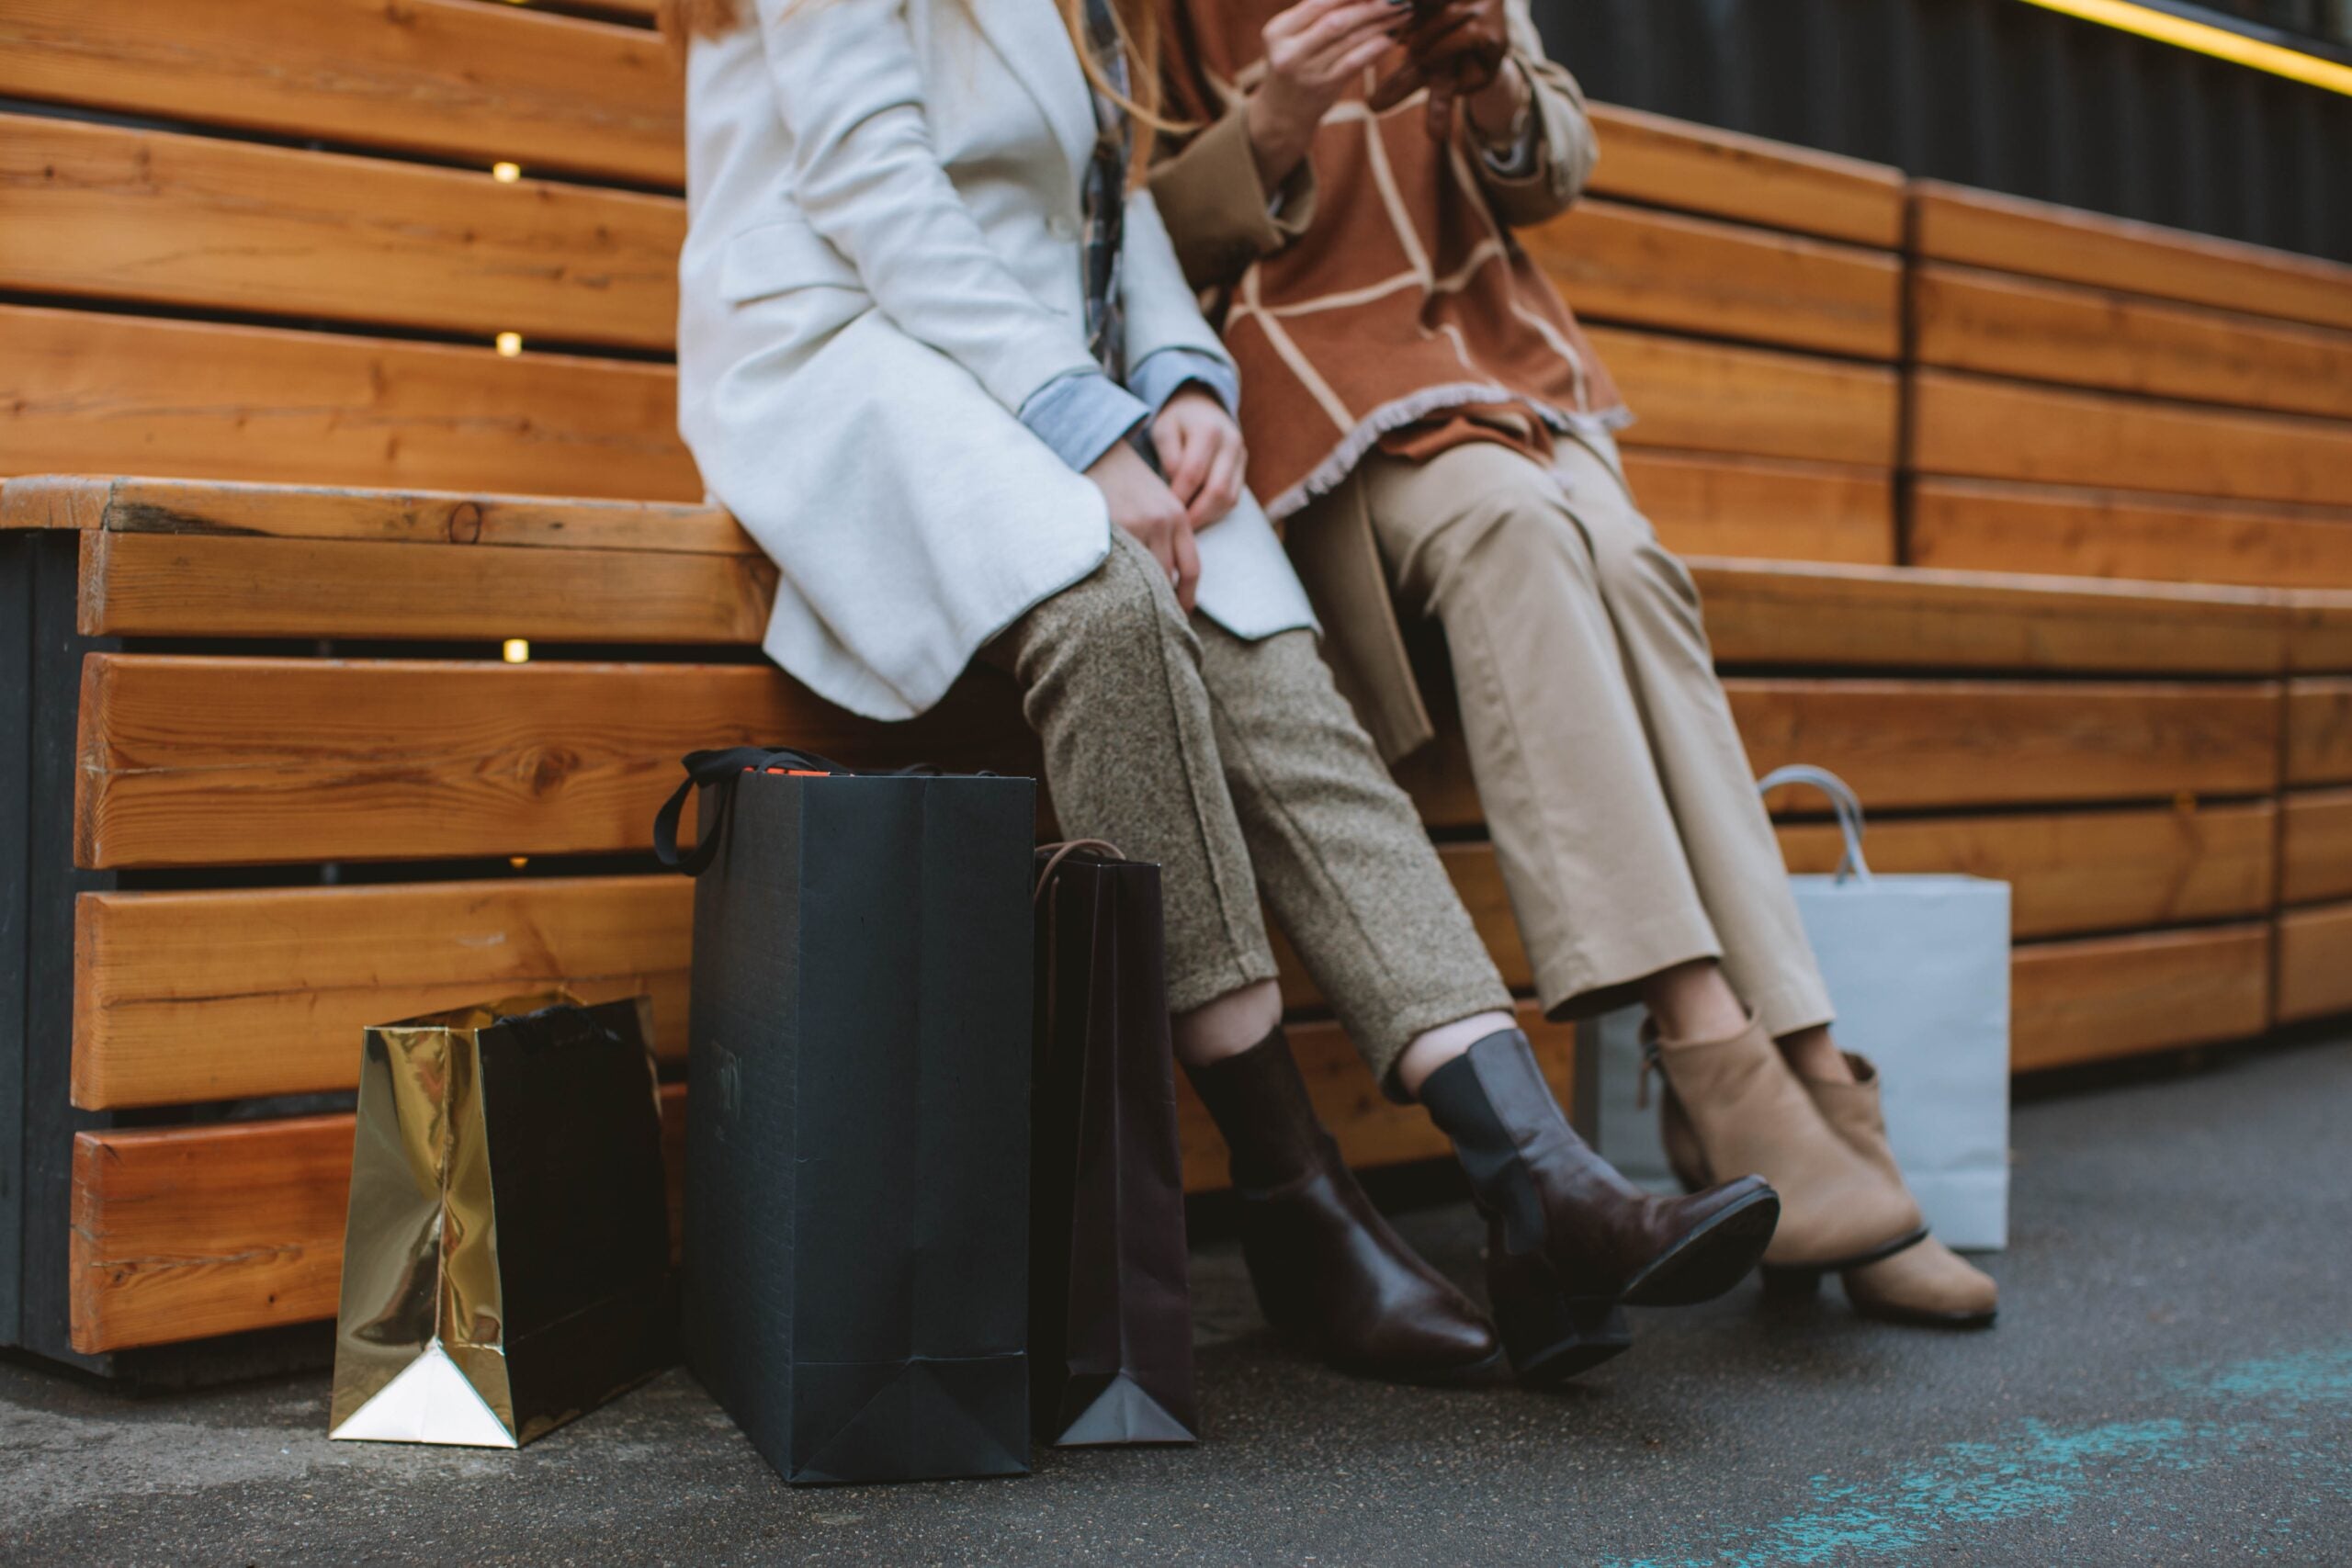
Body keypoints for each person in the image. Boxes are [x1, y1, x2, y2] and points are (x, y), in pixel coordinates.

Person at [662, 0, 1782, 1385]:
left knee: (1269, 659)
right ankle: (1291, 1196)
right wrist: (1084, 428)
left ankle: (1539, 1181)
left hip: (1022, 363)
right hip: (839, 344)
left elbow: (1100, 199)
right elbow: (872, 190)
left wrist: (1182, 374)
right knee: (1112, 602)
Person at [1148, 0, 1996, 1326]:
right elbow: (1120, 238)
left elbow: (1552, 163)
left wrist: (1485, 78)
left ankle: (1819, 1092)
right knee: (1516, 525)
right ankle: (1719, 1064)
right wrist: (1275, 119)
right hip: (1291, 393)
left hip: (1497, 365)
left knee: (1634, 566)